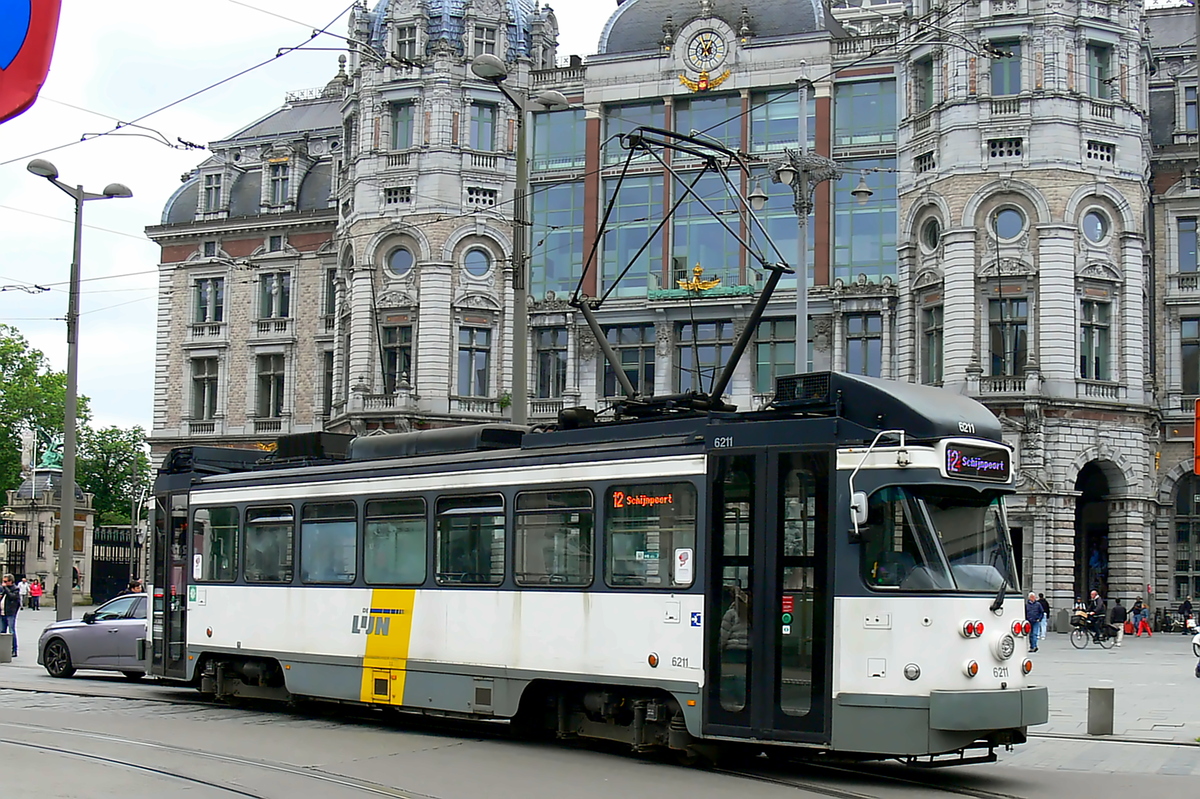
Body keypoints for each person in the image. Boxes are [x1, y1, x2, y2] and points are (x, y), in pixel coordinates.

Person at [719, 587, 750, 708]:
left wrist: (719, 647)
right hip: (747, 649)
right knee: (743, 675)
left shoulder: (731, 613)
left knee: (734, 676)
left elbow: (724, 633)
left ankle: (739, 700)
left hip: (733, 650)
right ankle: (745, 698)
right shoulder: (750, 613)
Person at [0, 574, 20, 658]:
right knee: (2, 631)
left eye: (5, 581)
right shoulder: (4, 589)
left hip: (10, 613)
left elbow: (12, 597)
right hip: (2, 612)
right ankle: (2, 649)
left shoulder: (15, 589)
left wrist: (5, 588)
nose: (3, 583)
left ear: (10, 581)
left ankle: (14, 650)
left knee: (11, 631)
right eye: (3, 581)